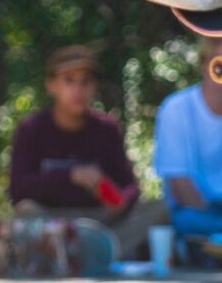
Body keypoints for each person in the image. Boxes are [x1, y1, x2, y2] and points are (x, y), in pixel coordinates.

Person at [9, 44, 169, 263]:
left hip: (100, 220)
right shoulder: (32, 129)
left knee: (159, 208)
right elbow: (18, 189)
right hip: (54, 221)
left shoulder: (107, 129)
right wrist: (70, 176)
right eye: (69, 80)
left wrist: (120, 200)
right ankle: (92, 255)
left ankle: (81, 255)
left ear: (94, 87)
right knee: (25, 212)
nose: (78, 90)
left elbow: (130, 186)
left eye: (85, 81)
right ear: (51, 85)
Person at [154, 36, 222, 244]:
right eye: (217, 59)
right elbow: (179, 184)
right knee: (187, 221)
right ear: (203, 64)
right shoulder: (176, 107)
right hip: (193, 213)